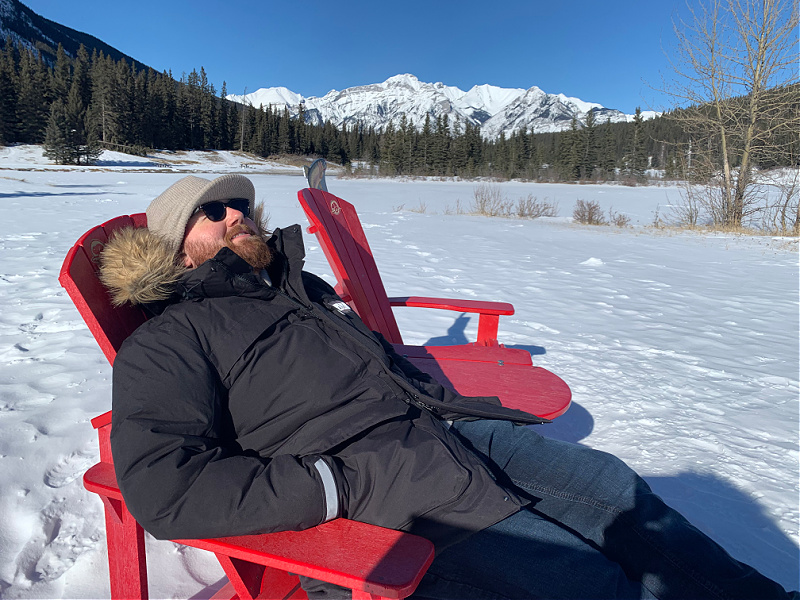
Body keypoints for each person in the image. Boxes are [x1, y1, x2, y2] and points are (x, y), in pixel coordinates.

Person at [100, 174, 796, 600]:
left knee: (618, 493)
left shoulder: (297, 292)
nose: (236, 215)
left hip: (439, 436)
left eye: (238, 203)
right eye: (212, 211)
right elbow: (167, 491)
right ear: (172, 248)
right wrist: (334, 485)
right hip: (379, 503)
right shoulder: (170, 343)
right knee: (585, 580)